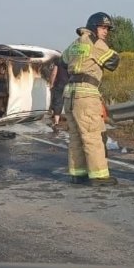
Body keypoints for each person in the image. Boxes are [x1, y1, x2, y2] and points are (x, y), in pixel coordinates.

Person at [62, 12, 120, 186]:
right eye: (103, 27)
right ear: (94, 27)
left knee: (75, 136)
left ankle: (77, 173)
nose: (106, 31)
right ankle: (99, 176)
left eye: (108, 29)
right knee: (93, 135)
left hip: (70, 94)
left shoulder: (74, 44)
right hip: (86, 94)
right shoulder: (95, 42)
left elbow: (63, 61)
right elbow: (113, 62)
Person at [48, 57, 69, 132]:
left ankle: (56, 122)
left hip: (59, 84)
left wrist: (51, 83)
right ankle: (70, 123)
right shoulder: (71, 61)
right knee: (68, 103)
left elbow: (54, 73)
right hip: (69, 85)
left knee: (58, 102)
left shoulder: (58, 61)